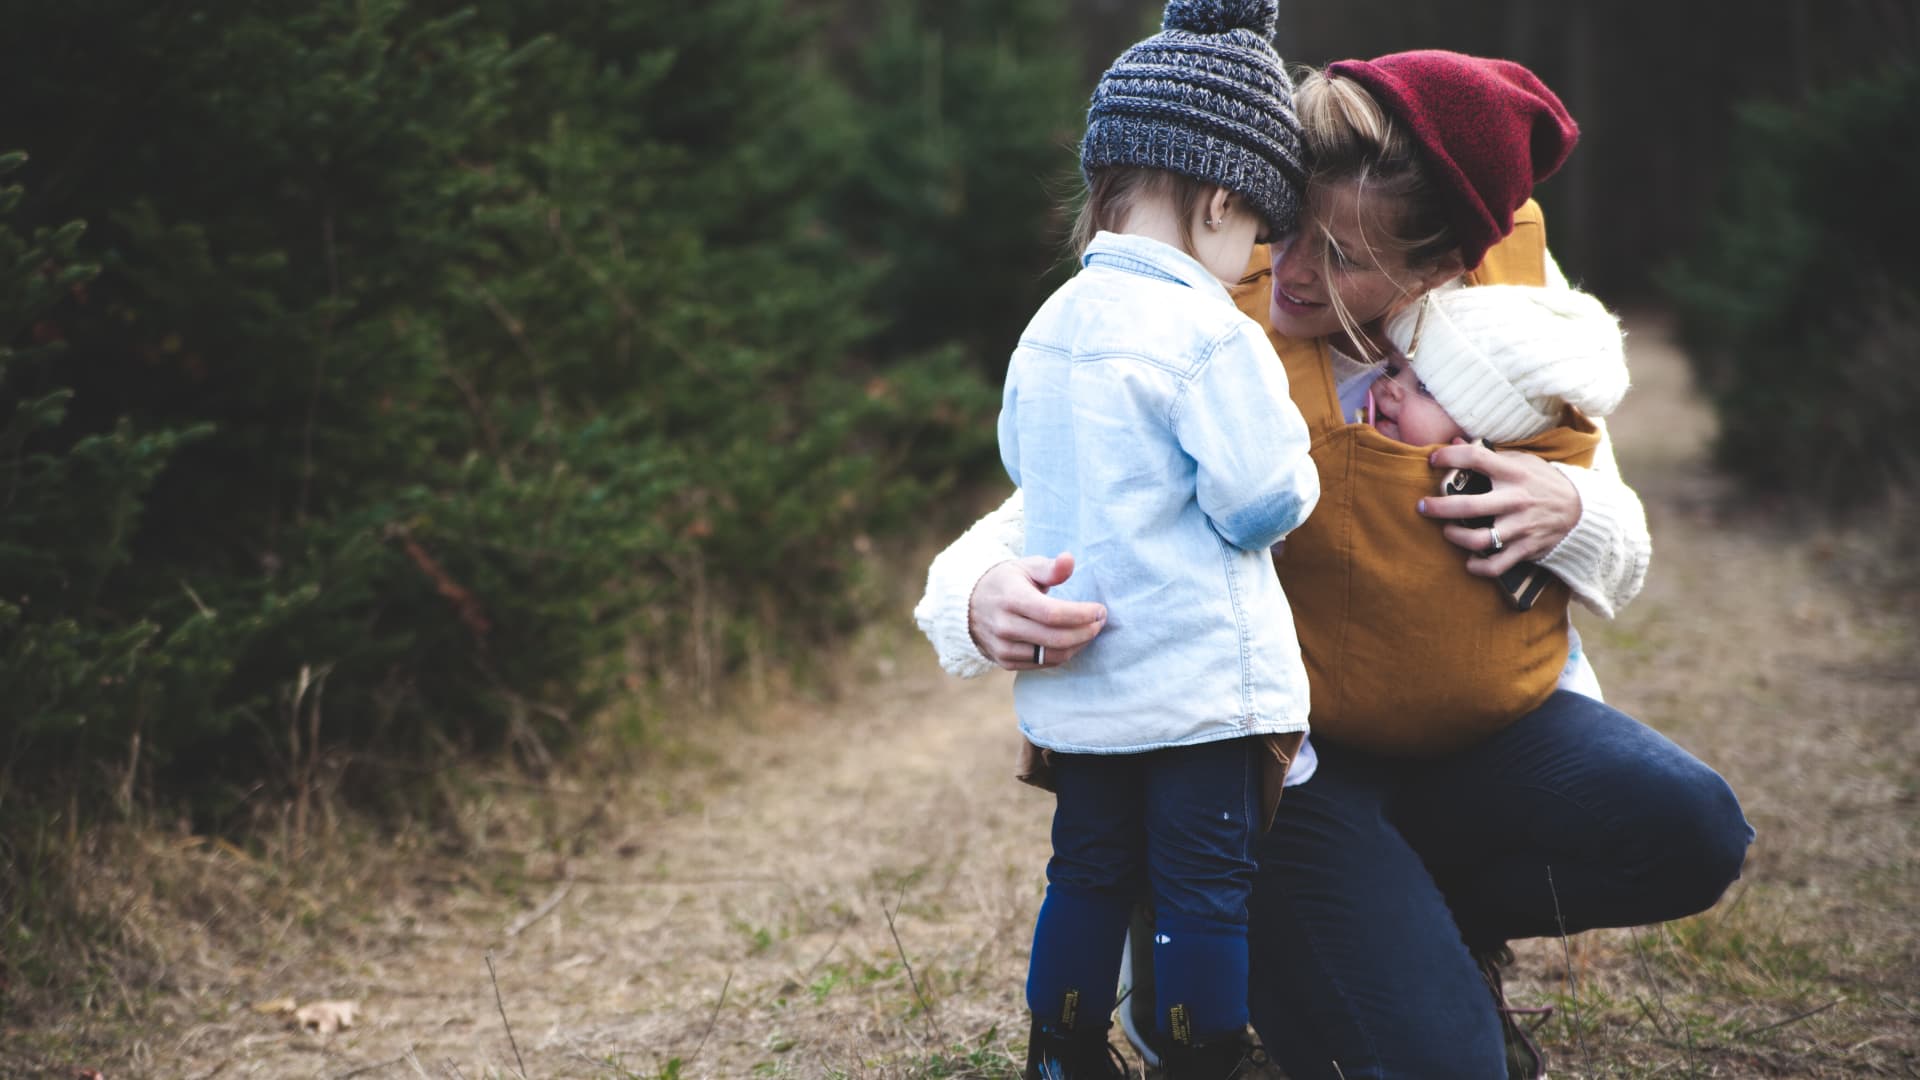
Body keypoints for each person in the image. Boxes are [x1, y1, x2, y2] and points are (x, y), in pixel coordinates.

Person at [915, 49, 1754, 1080]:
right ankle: (1191, 908)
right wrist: (973, 595)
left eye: (1347, 258)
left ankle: (1407, 923)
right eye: (1289, 229)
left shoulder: (1510, 326)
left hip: (1474, 738)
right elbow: (1054, 491)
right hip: (1280, 767)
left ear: (1443, 264)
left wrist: (1573, 508)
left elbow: (1618, 539)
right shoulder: (1210, 307)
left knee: (1693, 828)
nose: (1298, 273)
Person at [998, 2, 1318, 1077]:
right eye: (1255, 235)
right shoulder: (1207, 331)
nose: (1253, 263)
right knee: (1201, 889)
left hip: (1086, 688)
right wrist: (1303, 462)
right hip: (1195, 690)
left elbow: (1021, 460)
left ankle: (1061, 1050)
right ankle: (1202, 1053)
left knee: (1086, 870)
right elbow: (1260, 500)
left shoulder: (1049, 325)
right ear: (1222, 201)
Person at [1281, 282, 1631, 756]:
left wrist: (1577, 510)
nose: (1387, 389)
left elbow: (1621, 570)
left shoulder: (1519, 469)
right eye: (1394, 369)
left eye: (1423, 387)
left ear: (1484, 433)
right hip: (1340, 723)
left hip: (1515, 714)